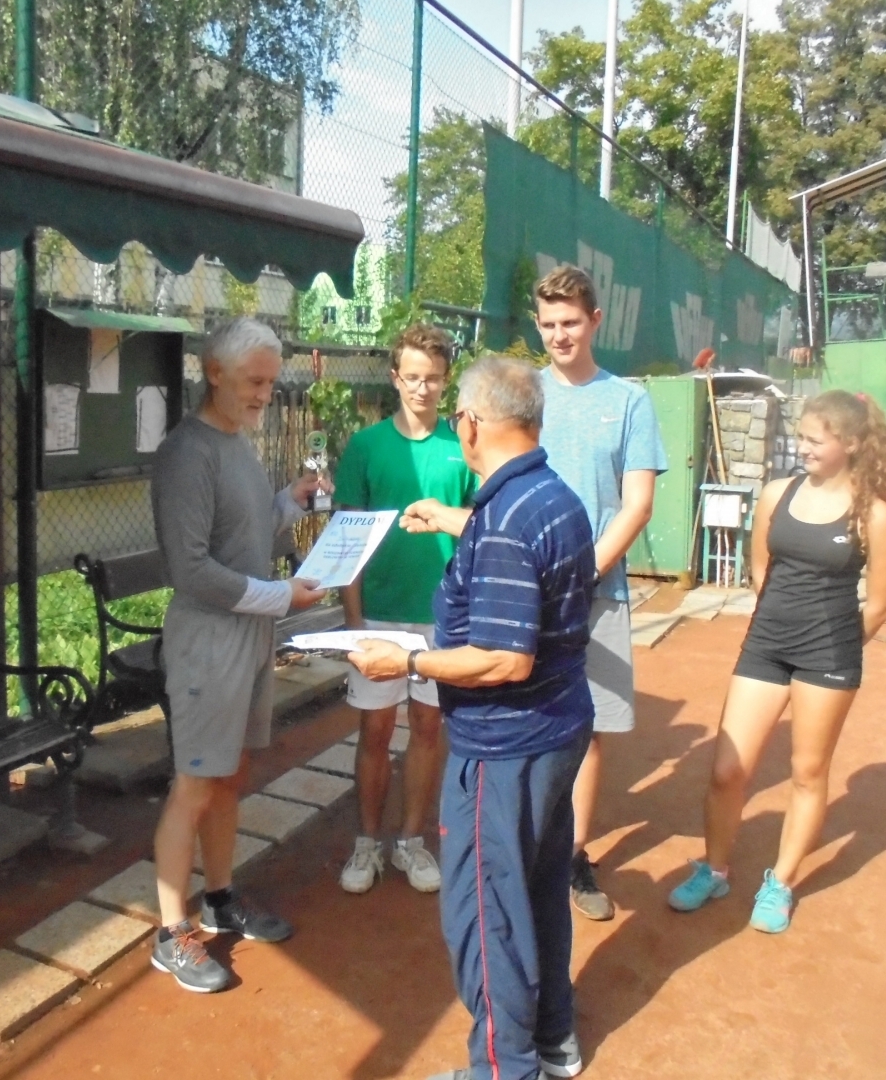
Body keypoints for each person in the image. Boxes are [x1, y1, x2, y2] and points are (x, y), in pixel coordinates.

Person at [350, 356, 597, 1080]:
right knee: (541, 888)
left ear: (471, 425)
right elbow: (515, 548)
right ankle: (553, 1036)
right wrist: (455, 517)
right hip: (555, 731)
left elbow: (501, 659)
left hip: (504, 745)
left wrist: (410, 664)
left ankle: (501, 1066)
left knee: (486, 912)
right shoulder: (549, 497)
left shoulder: (505, 523)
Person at [667, 390, 886, 933]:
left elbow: (880, 604)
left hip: (829, 655)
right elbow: (762, 570)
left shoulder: (875, 514)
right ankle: (715, 868)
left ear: (848, 444)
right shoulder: (778, 493)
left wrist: (836, 648)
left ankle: (780, 882)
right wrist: (777, 623)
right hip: (766, 645)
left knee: (806, 771)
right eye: (799, 437)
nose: (801, 448)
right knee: (728, 770)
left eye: (813, 440)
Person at [148, 317, 328, 993]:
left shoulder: (238, 447)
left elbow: (244, 529)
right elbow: (191, 569)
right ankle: (171, 932)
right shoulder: (185, 455)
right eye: (254, 381)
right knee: (194, 784)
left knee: (227, 776)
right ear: (213, 372)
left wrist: (290, 501)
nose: (264, 394)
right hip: (207, 644)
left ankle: (220, 898)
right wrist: (281, 595)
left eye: (270, 382)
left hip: (249, 638)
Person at [532, 264, 667, 921]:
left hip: (596, 591)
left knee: (589, 729)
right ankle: (524, 846)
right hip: (525, 593)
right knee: (523, 721)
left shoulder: (630, 401)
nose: (560, 335)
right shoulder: (522, 395)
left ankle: (573, 855)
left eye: (571, 323)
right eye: (550, 324)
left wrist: (581, 572)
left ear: (595, 322)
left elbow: (637, 504)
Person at [332, 323, 477, 895]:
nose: (423, 389)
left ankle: (411, 843)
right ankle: (366, 841)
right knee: (374, 729)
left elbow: (475, 531)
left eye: (434, 379)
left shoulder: (462, 448)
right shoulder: (366, 447)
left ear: (447, 382)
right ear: (395, 378)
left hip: (442, 618)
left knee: (426, 727)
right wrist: (353, 621)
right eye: (413, 377)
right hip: (378, 616)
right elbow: (346, 539)